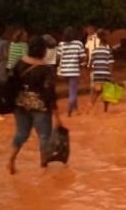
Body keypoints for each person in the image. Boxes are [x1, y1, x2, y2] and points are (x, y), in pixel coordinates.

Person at [7, 36, 61, 175]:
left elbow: (11, 83)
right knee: (44, 136)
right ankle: (44, 166)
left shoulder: (19, 63)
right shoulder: (46, 69)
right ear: (43, 50)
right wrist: (57, 116)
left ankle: (11, 160)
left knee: (21, 133)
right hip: (40, 106)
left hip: (20, 105)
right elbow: (50, 93)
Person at [57, 27, 86, 117]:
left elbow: (58, 57)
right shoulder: (78, 44)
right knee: (72, 91)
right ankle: (70, 108)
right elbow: (82, 57)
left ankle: (75, 108)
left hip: (63, 71)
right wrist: (81, 62)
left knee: (71, 89)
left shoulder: (61, 44)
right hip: (74, 71)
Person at [89, 30, 114, 112]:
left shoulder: (94, 51)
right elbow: (110, 65)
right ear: (106, 44)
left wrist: (94, 71)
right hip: (105, 74)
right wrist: (110, 75)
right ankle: (105, 109)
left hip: (97, 74)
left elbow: (91, 64)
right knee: (107, 93)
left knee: (96, 92)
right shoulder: (108, 51)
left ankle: (91, 106)